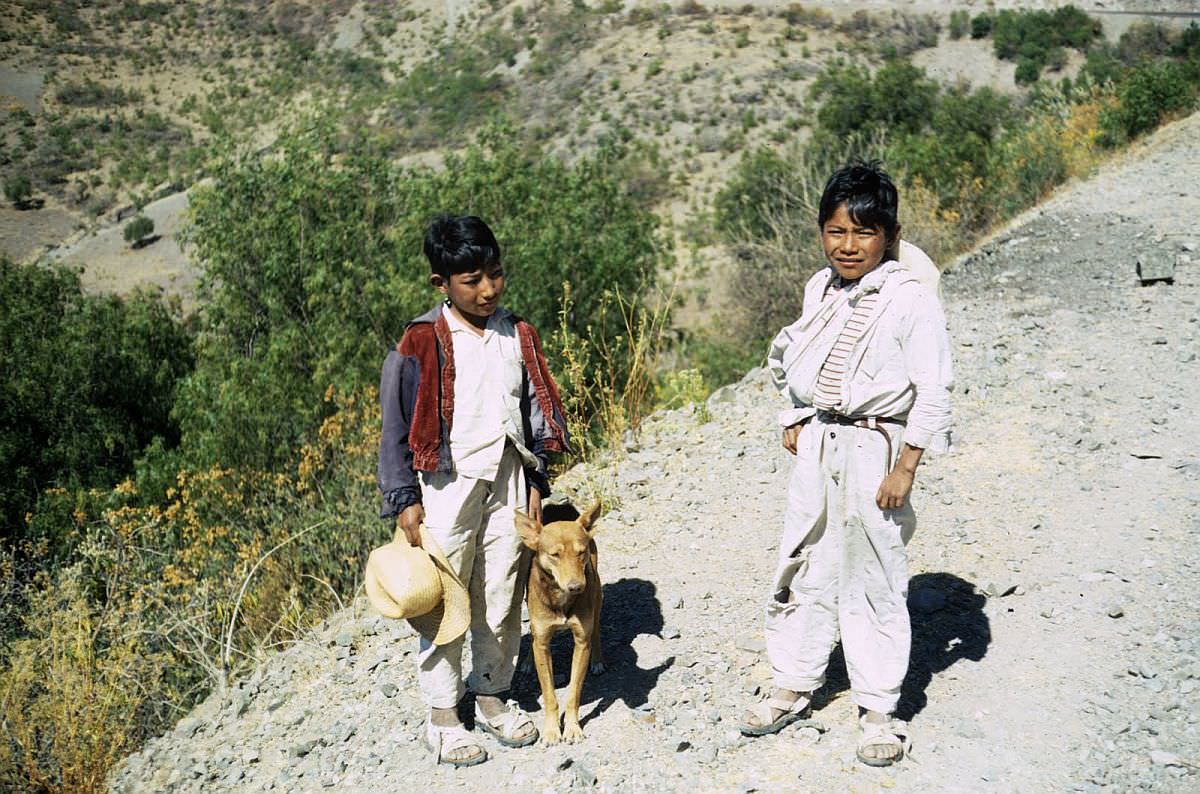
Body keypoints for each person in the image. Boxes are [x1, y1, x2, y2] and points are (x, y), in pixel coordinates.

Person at [739, 161, 953, 767]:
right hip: (822, 443)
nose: (849, 246)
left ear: (890, 233)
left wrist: (906, 466)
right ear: (822, 232)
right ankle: (794, 680)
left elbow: (933, 389)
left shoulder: (911, 301)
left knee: (874, 570)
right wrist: (795, 418)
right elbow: (793, 355)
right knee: (804, 559)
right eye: (837, 231)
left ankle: (879, 706)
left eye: (864, 233)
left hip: (877, 448)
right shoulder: (820, 288)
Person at [377, 214, 571, 767]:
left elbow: (534, 412)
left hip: (509, 478)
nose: (487, 290)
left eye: (495, 274)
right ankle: (443, 715)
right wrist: (404, 499)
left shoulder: (518, 334)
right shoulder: (420, 341)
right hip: (446, 484)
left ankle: (491, 693)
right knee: (443, 598)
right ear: (442, 284)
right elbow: (394, 427)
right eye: (471, 280)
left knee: (502, 589)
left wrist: (535, 479)